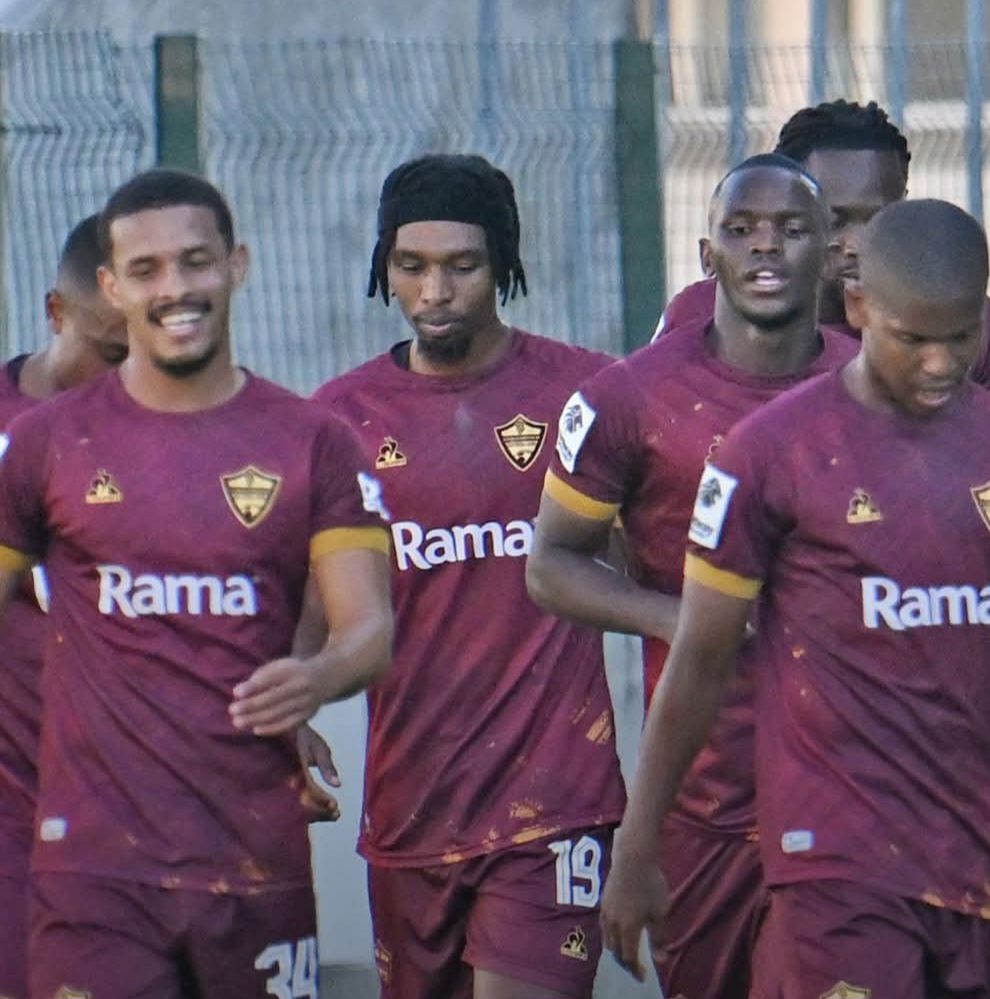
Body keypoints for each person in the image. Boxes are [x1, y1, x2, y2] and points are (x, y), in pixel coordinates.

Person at [600, 199, 990, 995]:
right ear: (860, 306)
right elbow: (698, 657)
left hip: (972, 853)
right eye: (914, 339)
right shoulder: (771, 452)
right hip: (834, 860)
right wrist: (639, 842)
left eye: (959, 337)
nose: (939, 363)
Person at [0, 168, 393, 998]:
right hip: (95, 872)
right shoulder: (46, 445)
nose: (174, 288)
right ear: (111, 286)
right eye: (146, 270)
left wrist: (315, 677)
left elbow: (369, 630)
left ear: (236, 265)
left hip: (255, 858)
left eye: (195, 262)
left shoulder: (314, 442)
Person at [528, 152, 855, 998]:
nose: (766, 249)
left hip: (854, 792)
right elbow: (550, 563)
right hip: (704, 796)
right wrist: (675, 618)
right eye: (741, 231)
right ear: (708, 255)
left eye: (790, 229)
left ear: (829, 246)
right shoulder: (630, 399)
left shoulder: (872, 388)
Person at [311, 154, 624, 999]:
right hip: (413, 803)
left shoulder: (588, 394)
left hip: (555, 799)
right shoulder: (339, 419)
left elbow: (658, 546)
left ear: (506, 264)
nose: (435, 290)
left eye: (462, 265)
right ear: (384, 267)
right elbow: (314, 598)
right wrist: (290, 708)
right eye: (411, 265)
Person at [655, 99, 990, 404]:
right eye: (836, 220)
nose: (857, 244)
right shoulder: (701, 313)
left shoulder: (960, 316)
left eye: (880, 218)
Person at [0, 212, 126, 998]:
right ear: (57, 313)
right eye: (110, 351)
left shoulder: (167, 439)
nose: (125, 373)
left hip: (134, 811)